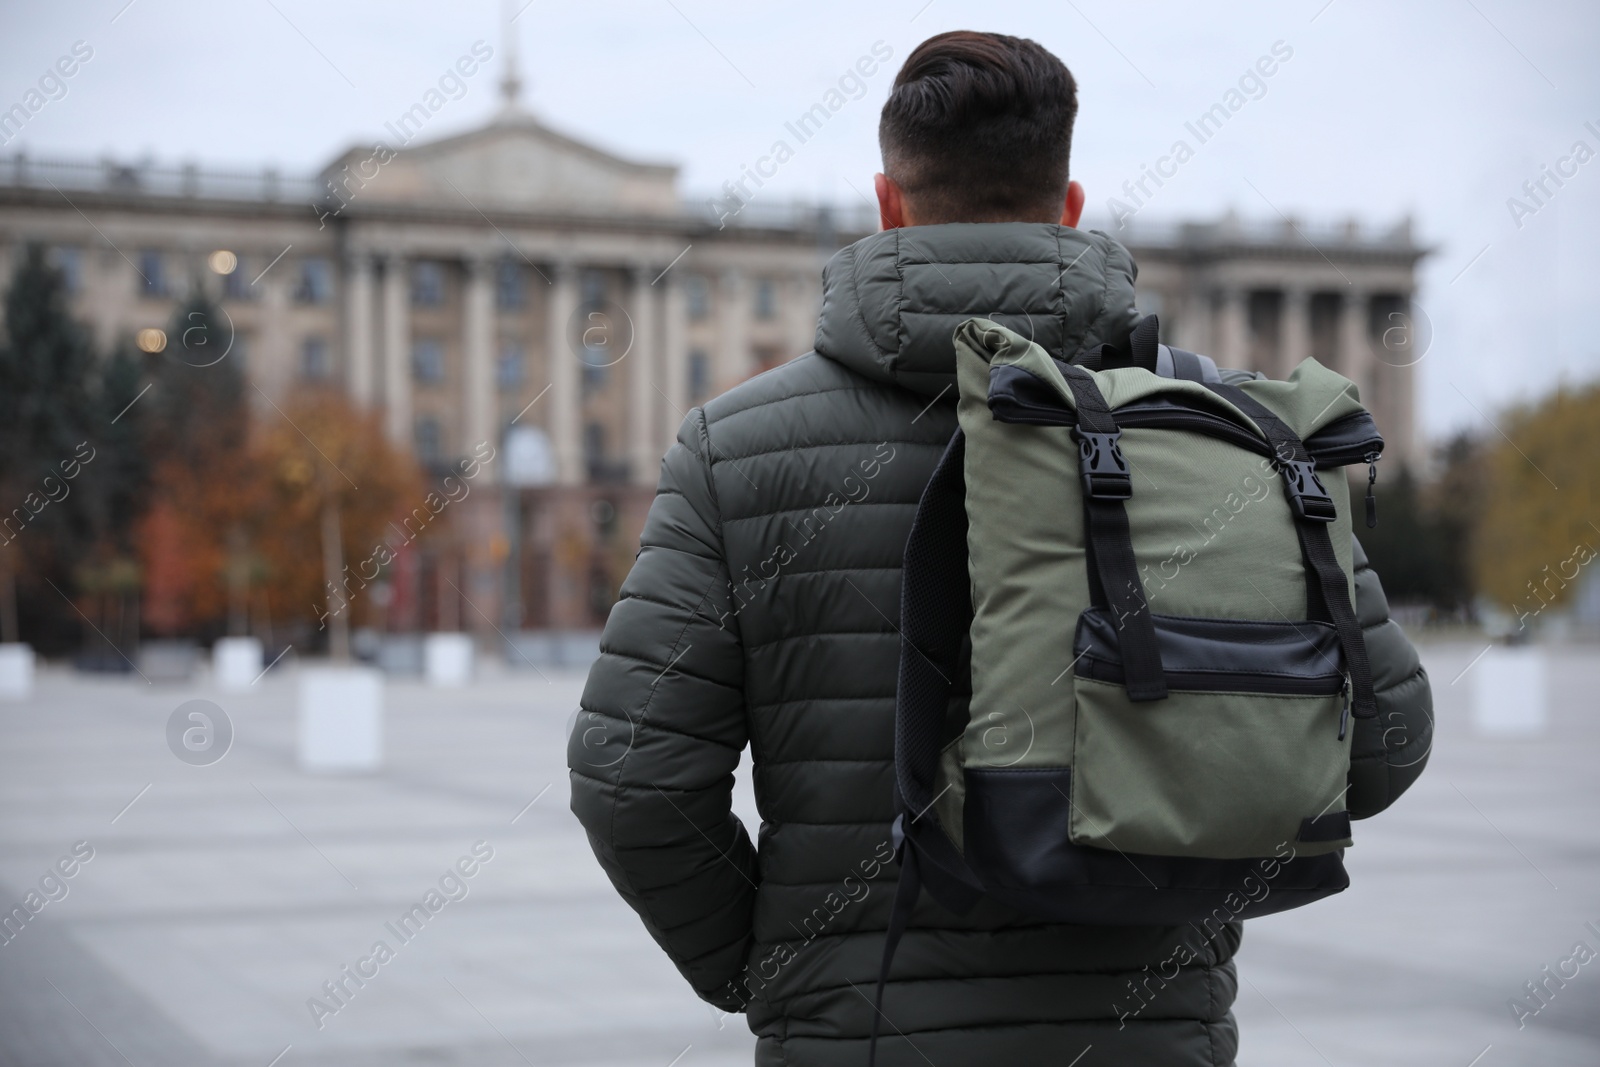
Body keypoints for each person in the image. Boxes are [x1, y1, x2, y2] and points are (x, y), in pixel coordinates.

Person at [568, 30, 1431, 1066]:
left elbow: (630, 773)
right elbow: (1381, 745)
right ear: (1070, 205)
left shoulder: (732, 448)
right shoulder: (1229, 428)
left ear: (888, 205)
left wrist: (770, 965)